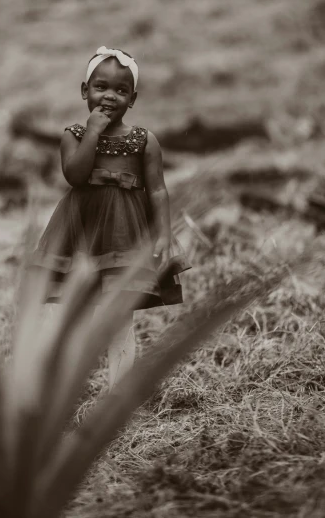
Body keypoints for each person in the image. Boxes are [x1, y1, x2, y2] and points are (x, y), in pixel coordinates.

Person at [30, 46, 190, 391]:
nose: (109, 96)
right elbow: (74, 175)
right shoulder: (72, 136)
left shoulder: (145, 141)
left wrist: (163, 233)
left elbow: (158, 191)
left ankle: (117, 394)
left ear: (133, 98)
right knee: (73, 314)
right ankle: (62, 388)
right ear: (84, 91)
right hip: (80, 236)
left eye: (121, 90)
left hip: (124, 239)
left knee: (120, 318)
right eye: (101, 87)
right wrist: (92, 132)